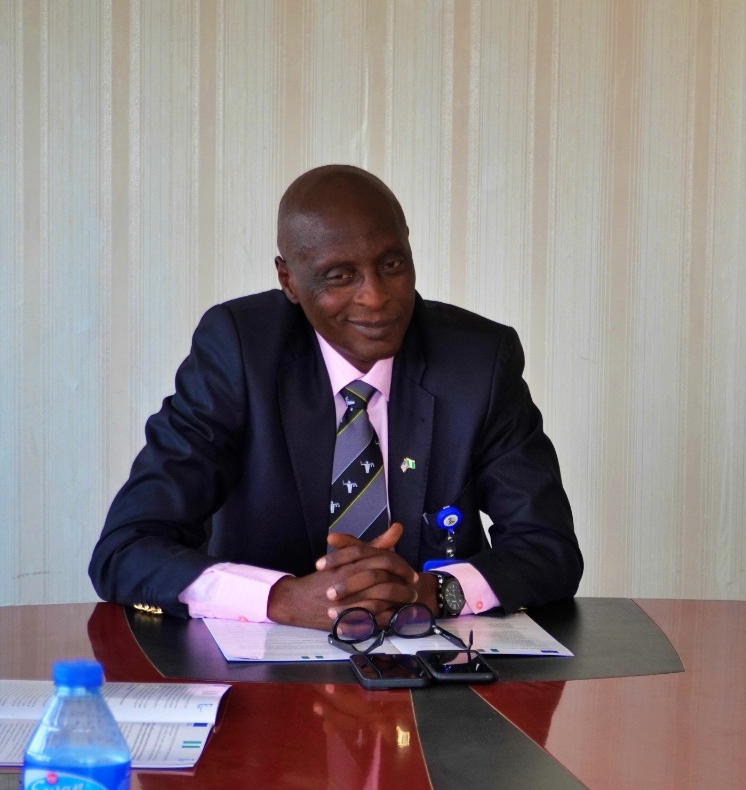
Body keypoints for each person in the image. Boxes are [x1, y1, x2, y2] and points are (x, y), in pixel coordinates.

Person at [90, 165, 582, 628]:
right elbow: (127, 548)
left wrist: (434, 592)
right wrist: (282, 598)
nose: (375, 296)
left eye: (392, 264)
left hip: (428, 669)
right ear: (289, 281)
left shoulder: (476, 361)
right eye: (339, 276)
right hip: (264, 682)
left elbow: (548, 548)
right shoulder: (240, 351)